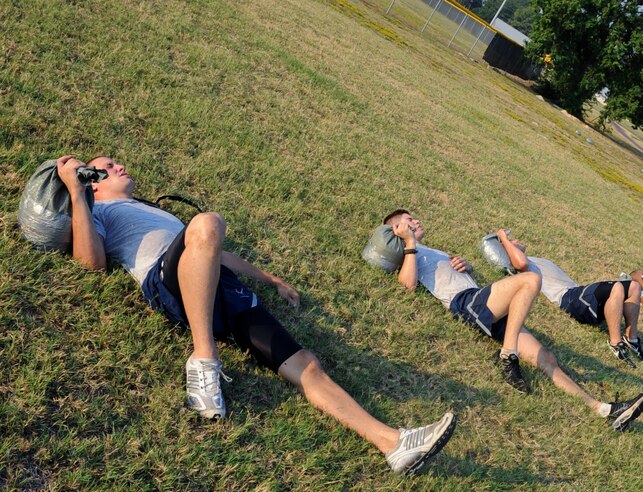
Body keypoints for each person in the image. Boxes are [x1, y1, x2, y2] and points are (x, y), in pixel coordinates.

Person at [56, 155, 455, 475]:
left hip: (220, 287)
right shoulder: (101, 212)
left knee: (306, 365)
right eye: (107, 167)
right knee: (209, 222)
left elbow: (212, 253)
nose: (119, 166)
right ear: (93, 181)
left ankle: (393, 444)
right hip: (169, 280)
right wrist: (76, 194)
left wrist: (271, 278)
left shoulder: (148, 209)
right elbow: (90, 262)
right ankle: (204, 360)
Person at [382, 211, 643, 431]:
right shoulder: (412, 251)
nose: (415, 221)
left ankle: (604, 409)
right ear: (396, 229)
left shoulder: (428, 250)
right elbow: (407, 283)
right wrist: (408, 242)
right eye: (408, 220)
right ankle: (507, 355)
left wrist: (466, 266)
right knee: (531, 279)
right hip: (467, 303)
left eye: (413, 219)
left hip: (483, 302)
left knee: (547, 358)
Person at [491, 230, 643, 367]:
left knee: (634, 286)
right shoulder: (521, 264)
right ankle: (616, 343)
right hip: (569, 298)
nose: (516, 240)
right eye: (513, 242)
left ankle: (632, 339)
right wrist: (503, 238)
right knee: (617, 287)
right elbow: (520, 263)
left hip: (580, 294)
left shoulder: (534, 259)